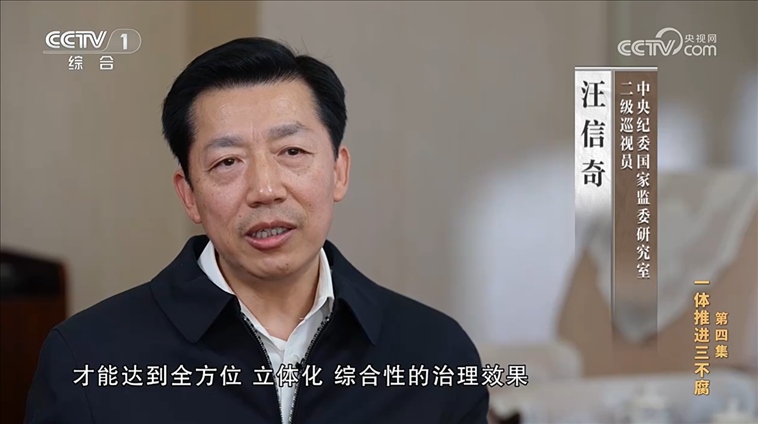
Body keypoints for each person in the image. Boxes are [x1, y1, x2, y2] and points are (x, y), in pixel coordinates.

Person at [24, 37, 489, 424]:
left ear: (339, 172)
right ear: (189, 195)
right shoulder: (87, 358)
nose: (265, 189)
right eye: (227, 162)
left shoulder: (436, 353)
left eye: (292, 152)